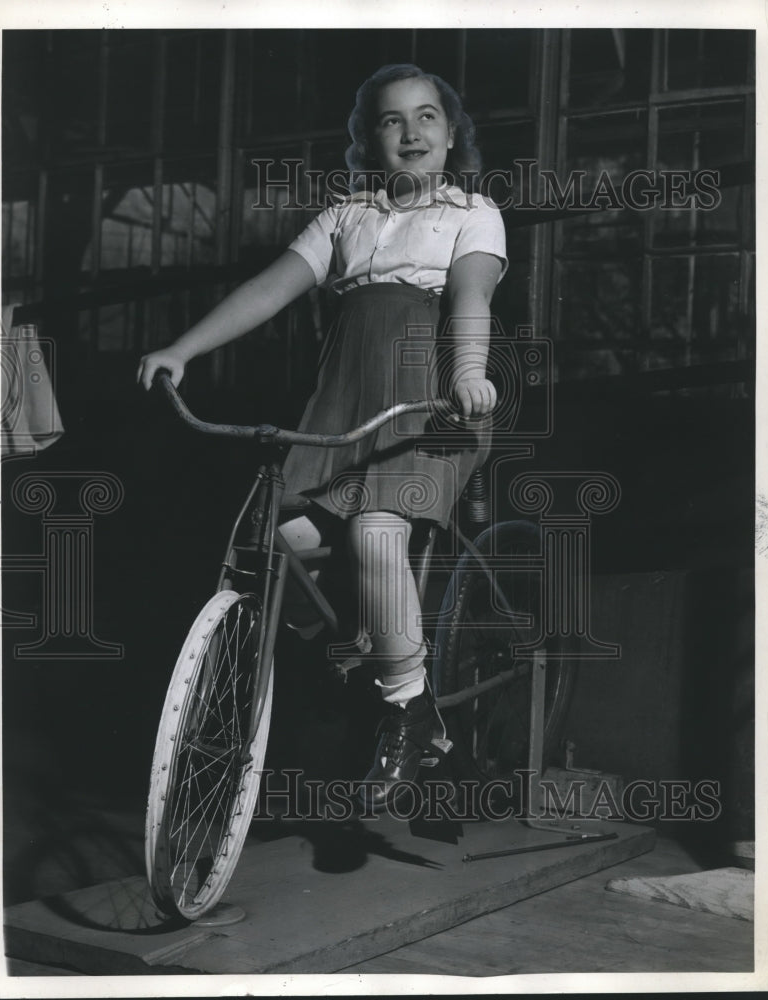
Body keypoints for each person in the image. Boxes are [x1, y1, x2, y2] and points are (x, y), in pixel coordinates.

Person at [138, 63, 508, 811]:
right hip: (339, 409)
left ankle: (407, 709)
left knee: (375, 533)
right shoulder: (345, 217)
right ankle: (363, 646)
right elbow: (268, 289)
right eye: (391, 119)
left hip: (426, 402)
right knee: (275, 545)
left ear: (451, 132)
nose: (411, 132)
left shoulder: (472, 212)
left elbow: (469, 298)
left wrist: (468, 373)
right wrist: (184, 348)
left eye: (427, 116)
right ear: (368, 140)